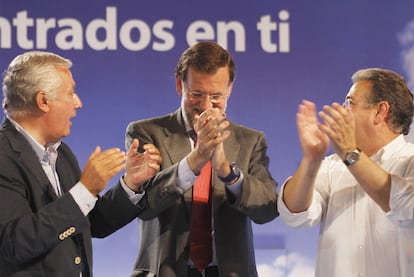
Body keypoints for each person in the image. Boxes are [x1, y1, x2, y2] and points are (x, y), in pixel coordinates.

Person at [0, 51, 161, 276]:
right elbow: (13, 244)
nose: (78, 103)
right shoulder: (4, 156)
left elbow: (88, 223)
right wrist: (85, 190)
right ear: (43, 101)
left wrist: (130, 184)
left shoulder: (61, 154)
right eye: (71, 93)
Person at [125, 41, 279, 277]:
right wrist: (197, 158)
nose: (206, 106)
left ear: (230, 88)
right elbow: (145, 206)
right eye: (196, 94)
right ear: (179, 84)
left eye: (216, 96)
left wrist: (228, 172)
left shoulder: (251, 141)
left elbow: (267, 210)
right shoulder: (146, 133)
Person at [278, 68, 414, 277]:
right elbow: (294, 214)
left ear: (380, 111)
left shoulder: (410, 160)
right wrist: (311, 160)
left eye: (350, 103)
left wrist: (351, 154)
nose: (342, 111)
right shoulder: (333, 165)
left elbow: (405, 205)